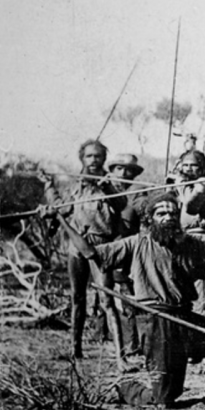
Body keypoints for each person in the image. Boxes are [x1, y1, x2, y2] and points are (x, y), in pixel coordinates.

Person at [42, 194, 205, 407]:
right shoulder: (135, 244)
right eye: (161, 213)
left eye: (171, 212)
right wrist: (61, 222)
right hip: (156, 322)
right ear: (150, 219)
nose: (167, 217)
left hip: (185, 318)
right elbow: (89, 252)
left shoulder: (190, 245)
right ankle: (127, 389)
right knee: (165, 398)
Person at [43, 139, 123, 359]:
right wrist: (49, 187)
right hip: (77, 246)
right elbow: (63, 207)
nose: (94, 160)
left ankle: (120, 357)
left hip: (101, 247)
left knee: (107, 299)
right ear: (82, 158)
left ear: (104, 158)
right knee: (77, 298)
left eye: (98, 156)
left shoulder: (111, 183)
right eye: (89, 156)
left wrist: (105, 185)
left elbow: (121, 204)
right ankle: (75, 351)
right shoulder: (76, 185)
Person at [175, 149, 205, 321]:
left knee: (203, 293)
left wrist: (180, 187)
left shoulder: (202, 183)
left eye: (194, 166)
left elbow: (191, 207)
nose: (189, 169)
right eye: (185, 165)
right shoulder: (188, 185)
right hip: (187, 240)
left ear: (202, 169)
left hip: (201, 242)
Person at [106, 153, 146, 357]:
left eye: (129, 170)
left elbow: (139, 210)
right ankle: (106, 340)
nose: (124, 173)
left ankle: (132, 345)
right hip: (103, 249)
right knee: (103, 299)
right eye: (120, 169)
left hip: (127, 250)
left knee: (127, 297)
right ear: (112, 171)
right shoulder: (103, 188)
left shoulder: (137, 191)